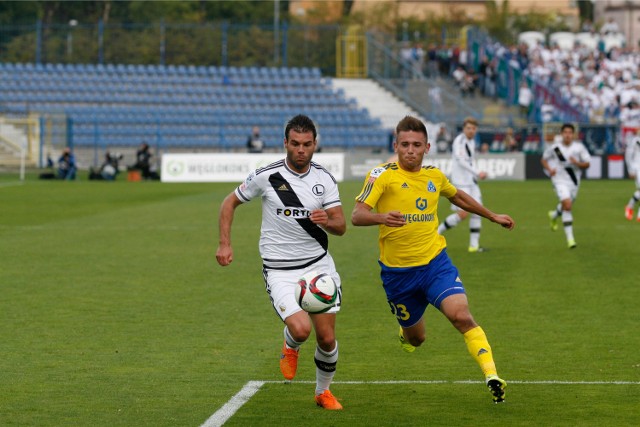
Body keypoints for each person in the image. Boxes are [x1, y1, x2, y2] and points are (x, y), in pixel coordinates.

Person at [351, 115, 514, 403]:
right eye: (404, 144)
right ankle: (405, 331)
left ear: (427, 147)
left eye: (416, 145)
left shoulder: (434, 176)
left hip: (434, 264)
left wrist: (492, 215)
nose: (410, 150)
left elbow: (458, 197)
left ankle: (491, 375)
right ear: (396, 145)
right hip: (398, 274)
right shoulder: (382, 175)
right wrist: (380, 217)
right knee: (417, 339)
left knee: (461, 315)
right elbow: (357, 214)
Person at [216, 114, 345, 410]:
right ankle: (291, 344)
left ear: (315, 145)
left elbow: (341, 226)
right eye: (296, 143)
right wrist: (225, 243)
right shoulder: (267, 176)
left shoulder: (324, 179)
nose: (301, 149)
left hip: (318, 267)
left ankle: (322, 392)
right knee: (301, 330)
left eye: (307, 144)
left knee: (326, 338)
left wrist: (327, 221)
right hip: (280, 270)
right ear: (285, 143)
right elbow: (229, 202)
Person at [438, 117, 489, 252]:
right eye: (468, 128)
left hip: (471, 182)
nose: (471, 131)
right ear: (463, 129)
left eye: (473, 128)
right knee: (462, 214)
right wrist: (478, 172)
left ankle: (474, 245)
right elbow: (461, 162)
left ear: (476, 130)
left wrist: (475, 175)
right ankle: (436, 233)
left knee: (478, 211)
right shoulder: (459, 141)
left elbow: (470, 161)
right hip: (461, 183)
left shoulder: (471, 141)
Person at [541, 123, 591, 248]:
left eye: (570, 133)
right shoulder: (555, 148)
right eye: (565, 132)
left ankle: (553, 215)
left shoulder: (579, 148)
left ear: (573, 135)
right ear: (562, 134)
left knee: (566, 204)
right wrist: (549, 169)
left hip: (574, 182)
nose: (568, 135)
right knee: (567, 205)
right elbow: (543, 159)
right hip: (559, 180)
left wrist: (577, 163)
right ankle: (570, 240)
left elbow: (587, 164)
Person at [624, 132, 640, 221]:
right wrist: (630, 169)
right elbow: (628, 154)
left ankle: (629, 206)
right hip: (638, 167)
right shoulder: (635, 140)